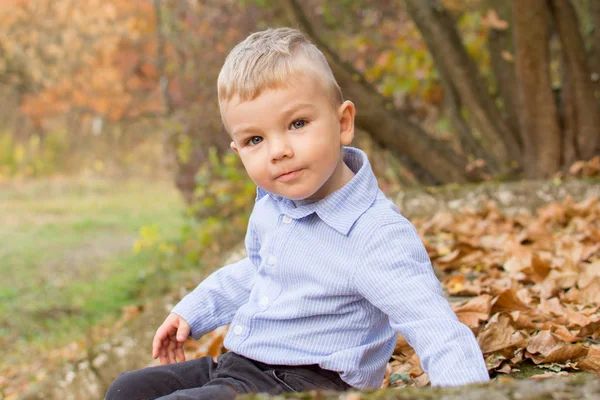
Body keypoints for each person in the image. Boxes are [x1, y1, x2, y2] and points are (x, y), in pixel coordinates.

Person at [106, 27, 489, 400]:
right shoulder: (276, 208)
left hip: (307, 383)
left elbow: (435, 328)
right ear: (239, 153)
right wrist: (193, 311)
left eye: (297, 124)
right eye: (255, 139)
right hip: (241, 364)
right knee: (128, 389)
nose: (278, 150)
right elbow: (259, 272)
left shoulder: (374, 233)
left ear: (343, 123)